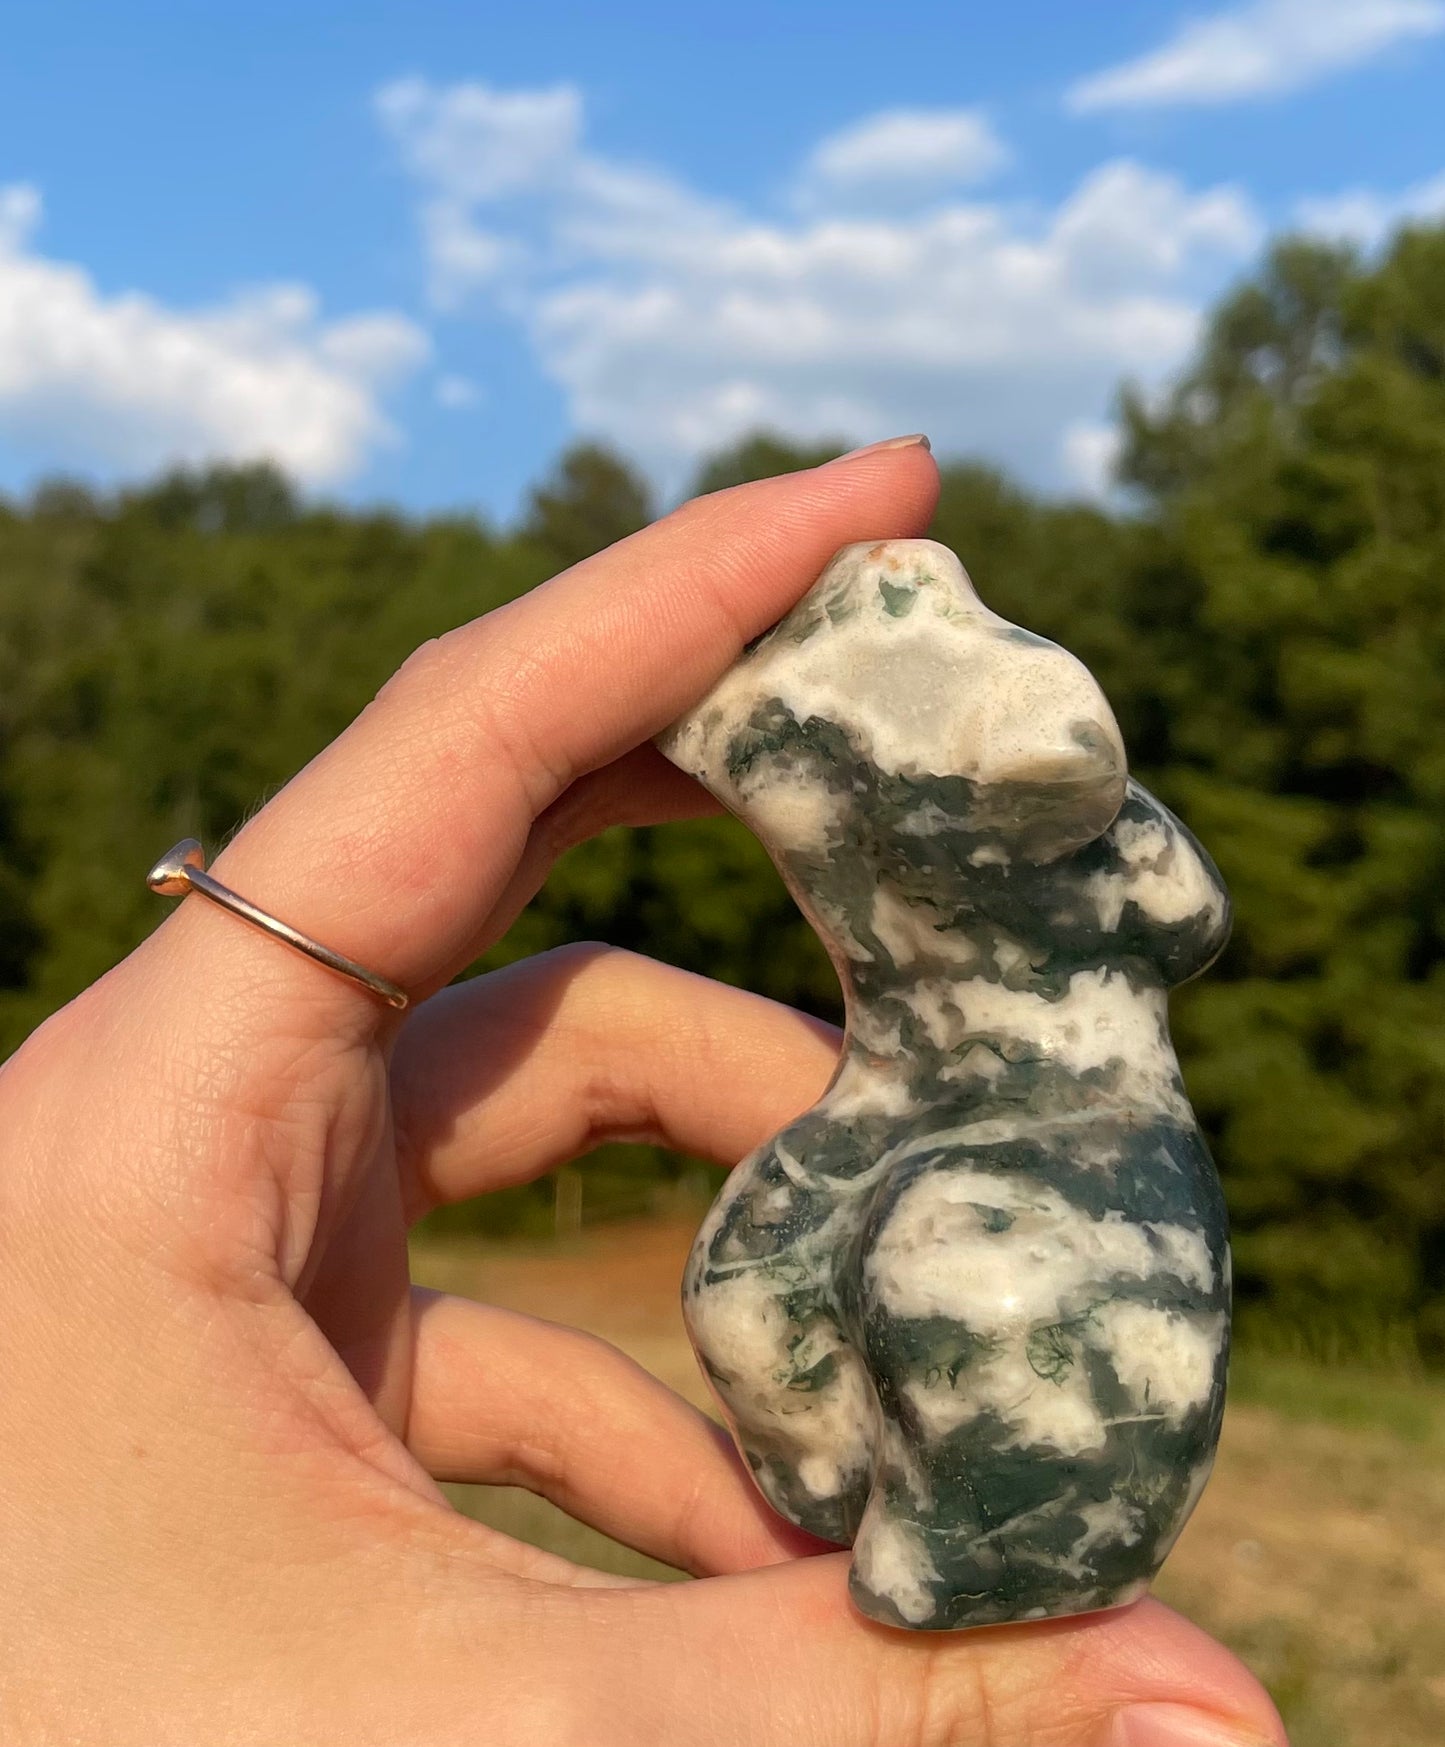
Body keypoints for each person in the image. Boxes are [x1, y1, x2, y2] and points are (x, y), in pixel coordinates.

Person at [0, 437, 1286, 1745]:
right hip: (887, 1097)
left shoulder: (1071, 810)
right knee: (747, 1282)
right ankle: (838, 1501)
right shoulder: (808, 731)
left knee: (970, 1276)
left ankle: (971, 1561)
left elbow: (1182, 917)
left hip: (1076, 1125)